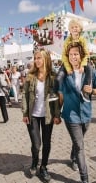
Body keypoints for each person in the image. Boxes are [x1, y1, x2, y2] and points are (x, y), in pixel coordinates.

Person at [58, 41, 96, 183]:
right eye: (70, 54)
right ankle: (85, 178)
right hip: (71, 115)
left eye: (76, 54)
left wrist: (93, 91)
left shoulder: (90, 72)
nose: (73, 57)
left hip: (86, 114)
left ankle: (73, 157)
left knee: (78, 141)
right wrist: (56, 113)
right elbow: (61, 95)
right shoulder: (64, 73)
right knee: (80, 146)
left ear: (81, 55)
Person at [21, 48, 61, 182]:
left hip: (48, 115)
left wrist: (57, 114)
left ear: (46, 59)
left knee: (47, 142)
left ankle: (43, 167)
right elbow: (25, 95)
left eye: (39, 58)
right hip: (33, 115)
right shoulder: (30, 76)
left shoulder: (53, 76)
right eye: (35, 58)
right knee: (36, 144)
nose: (36, 60)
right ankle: (34, 162)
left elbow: (56, 97)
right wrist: (25, 112)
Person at [53, 19, 92, 102]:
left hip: (82, 61)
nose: (74, 28)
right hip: (68, 62)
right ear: (70, 29)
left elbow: (86, 54)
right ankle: (54, 92)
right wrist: (68, 68)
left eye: (76, 27)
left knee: (89, 69)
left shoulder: (83, 40)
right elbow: (64, 55)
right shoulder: (67, 40)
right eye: (72, 27)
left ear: (80, 29)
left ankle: (85, 91)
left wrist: (82, 65)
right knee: (59, 76)